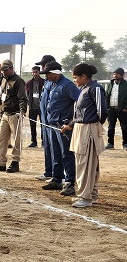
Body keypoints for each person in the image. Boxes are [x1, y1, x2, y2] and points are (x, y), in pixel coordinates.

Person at [61, 63, 107, 207]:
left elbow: (102, 112)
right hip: (81, 128)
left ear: (83, 76)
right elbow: (79, 113)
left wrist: (93, 125)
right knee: (85, 163)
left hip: (89, 130)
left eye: (75, 77)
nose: (74, 80)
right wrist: (71, 124)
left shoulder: (95, 89)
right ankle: (90, 194)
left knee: (86, 164)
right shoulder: (83, 89)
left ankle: (85, 197)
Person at [39, 61, 80, 196]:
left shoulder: (67, 85)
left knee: (66, 154)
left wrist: (71, 122)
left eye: (48, 74)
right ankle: (57, 179)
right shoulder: (52, 84)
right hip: (52, 124)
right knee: (55, 153)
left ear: (55, 73)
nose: (46, 76)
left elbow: (80, 102)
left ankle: (70, 182)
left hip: (63, 126)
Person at [0, 60, 27, 173]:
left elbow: (23, 98)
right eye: (2, 70)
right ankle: (1, 162)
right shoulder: (4, 80)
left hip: (15, 114)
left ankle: (15, 162)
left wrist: (22, 111)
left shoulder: (18, 81)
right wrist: (2, 111)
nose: (3, 72)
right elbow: (4, 96)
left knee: (17, 139)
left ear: (11, 68)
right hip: (5, 113)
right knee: (1, 139)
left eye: (5, 70)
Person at [34, 55, 56, 181]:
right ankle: (48, 172)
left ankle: (57, 174)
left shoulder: (55, 81)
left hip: (52, 121)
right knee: (47, 147)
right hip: (44, 121)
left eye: (44, 65)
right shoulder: (47, 81)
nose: (42, 67)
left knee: (55, 150)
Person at [105, 68, 127, 150]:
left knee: (124, 127)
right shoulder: (110, 84)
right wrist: (107, 108)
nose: (115, 75)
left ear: (122, 75)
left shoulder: (125, 84)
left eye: (117, 74)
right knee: (111, 127)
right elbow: (107, 96)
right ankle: (110, 143)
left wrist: (125, 108)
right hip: (111, 109)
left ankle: (125, 144)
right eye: (114, 74)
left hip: (122, 110)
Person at [25, 66, 46, 147]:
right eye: (33, 72)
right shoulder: (29, 83)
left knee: (43, 125)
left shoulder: (43, 82)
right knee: (32, 125)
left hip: (41, 108)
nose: (35, 74)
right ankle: (34, 142)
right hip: (32, 108)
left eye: (36, 72)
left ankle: (44, 141)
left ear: (39, 72)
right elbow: (27, 94)